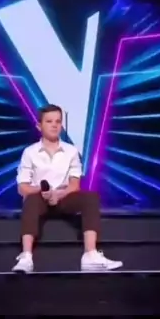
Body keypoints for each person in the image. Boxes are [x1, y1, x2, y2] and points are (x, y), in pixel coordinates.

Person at [12, 104, 123, 272]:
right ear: (39, 126)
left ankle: (90, 255)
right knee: (31, 200)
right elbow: (23, 188)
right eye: (49, 121)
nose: (54, 125)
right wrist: (43, 192)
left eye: (58, 121)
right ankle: (26, 257)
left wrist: (58, 194)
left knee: (90, 197)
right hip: (40, 198)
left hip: (64, 197)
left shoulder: (71, 151)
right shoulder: (30, 152)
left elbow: (74, 185)